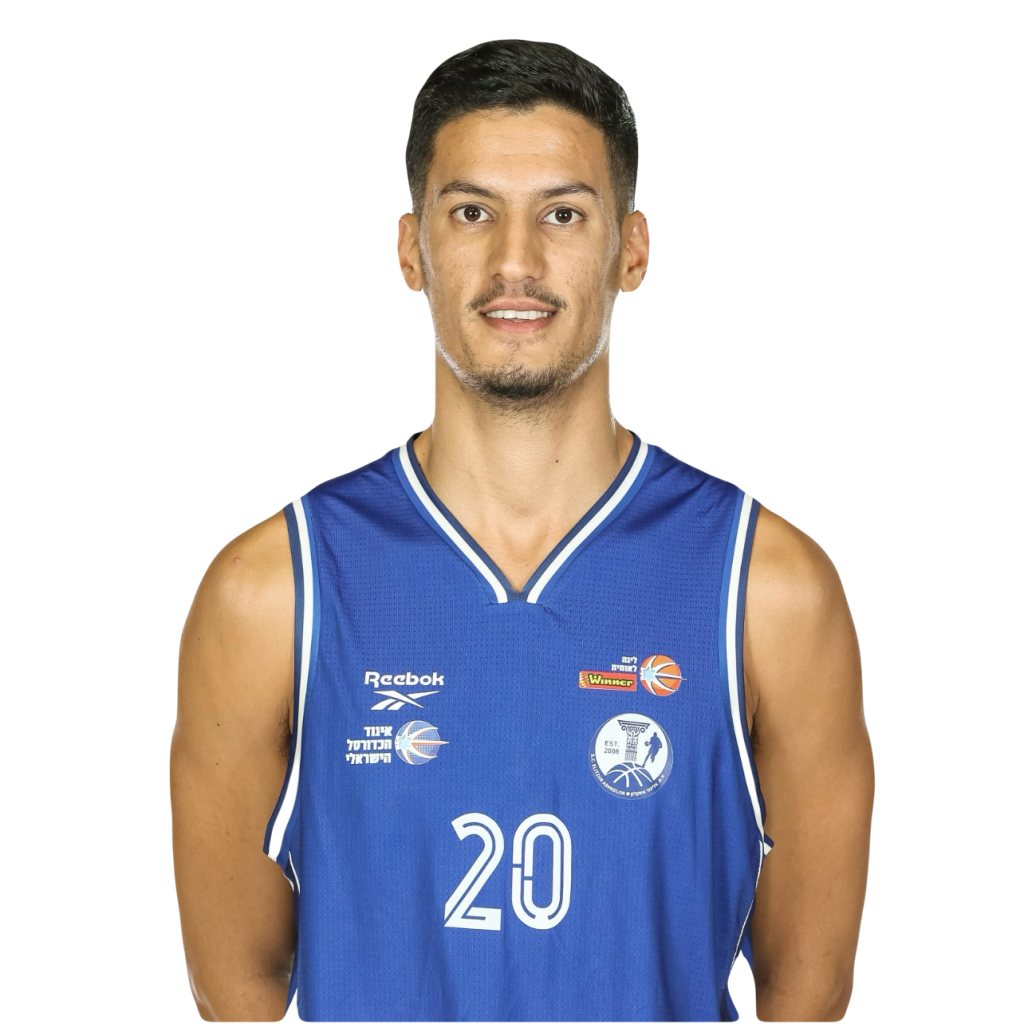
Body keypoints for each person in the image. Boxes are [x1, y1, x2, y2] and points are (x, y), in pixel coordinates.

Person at [171, 39, 873, 1023]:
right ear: (411, 248)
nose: (515, 262)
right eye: (472, 212)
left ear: (631, 249)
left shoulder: (767, 584)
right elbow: (235, 987)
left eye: (562, 214)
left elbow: (807, 990)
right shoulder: (272, 588)